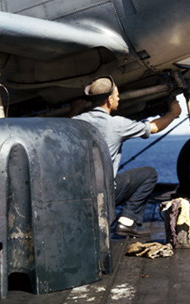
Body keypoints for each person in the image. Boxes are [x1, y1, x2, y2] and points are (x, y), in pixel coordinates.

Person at [72, 76, 182, 239]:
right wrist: (173, 113)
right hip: (104, 196)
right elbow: (153, 127)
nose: (119, 98)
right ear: (109, 100)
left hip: (77, 196)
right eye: (117, 96)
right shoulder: (116, 124)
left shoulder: (75, 122)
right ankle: (127, 222)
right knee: (149, 174)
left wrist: (74, 111)